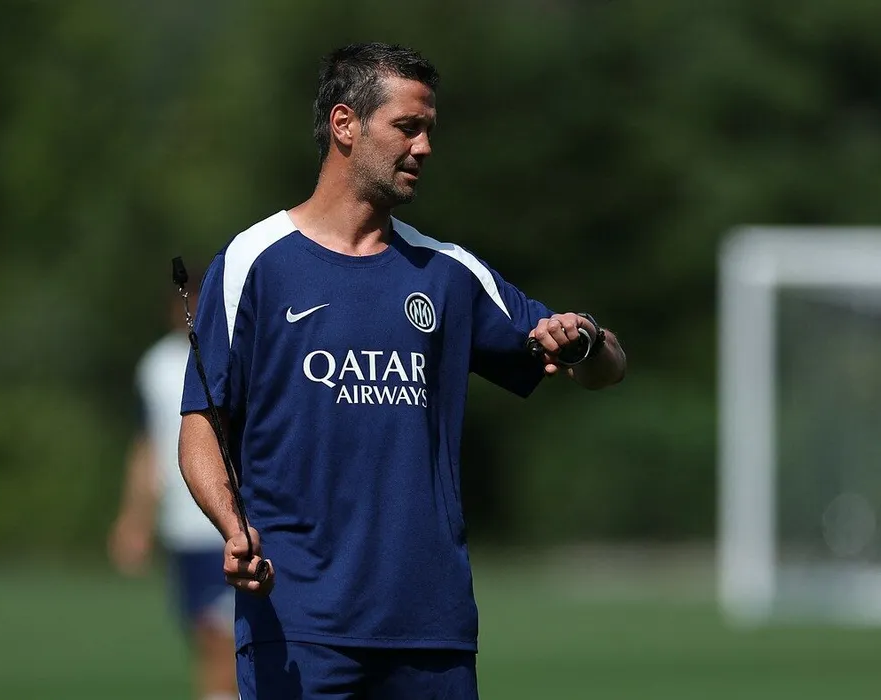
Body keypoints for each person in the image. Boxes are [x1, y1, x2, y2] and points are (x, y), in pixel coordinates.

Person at [178, 42, 626, 699]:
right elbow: (202, 426)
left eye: (429, 130)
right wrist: (232, 524)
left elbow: (604, 367)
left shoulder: (448, 272)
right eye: (407, 127)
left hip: (431, 629)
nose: (424, 148)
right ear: (345, 124)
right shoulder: (253, 262)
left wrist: (584, 338)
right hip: (297, 621)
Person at [109, 279, 238, 700]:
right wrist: (135, 519)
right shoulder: (157, 366)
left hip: (231, 525)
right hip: (183, 526)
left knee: (224, 640)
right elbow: (148, 447)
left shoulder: (240, 353)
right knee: (203, 637)